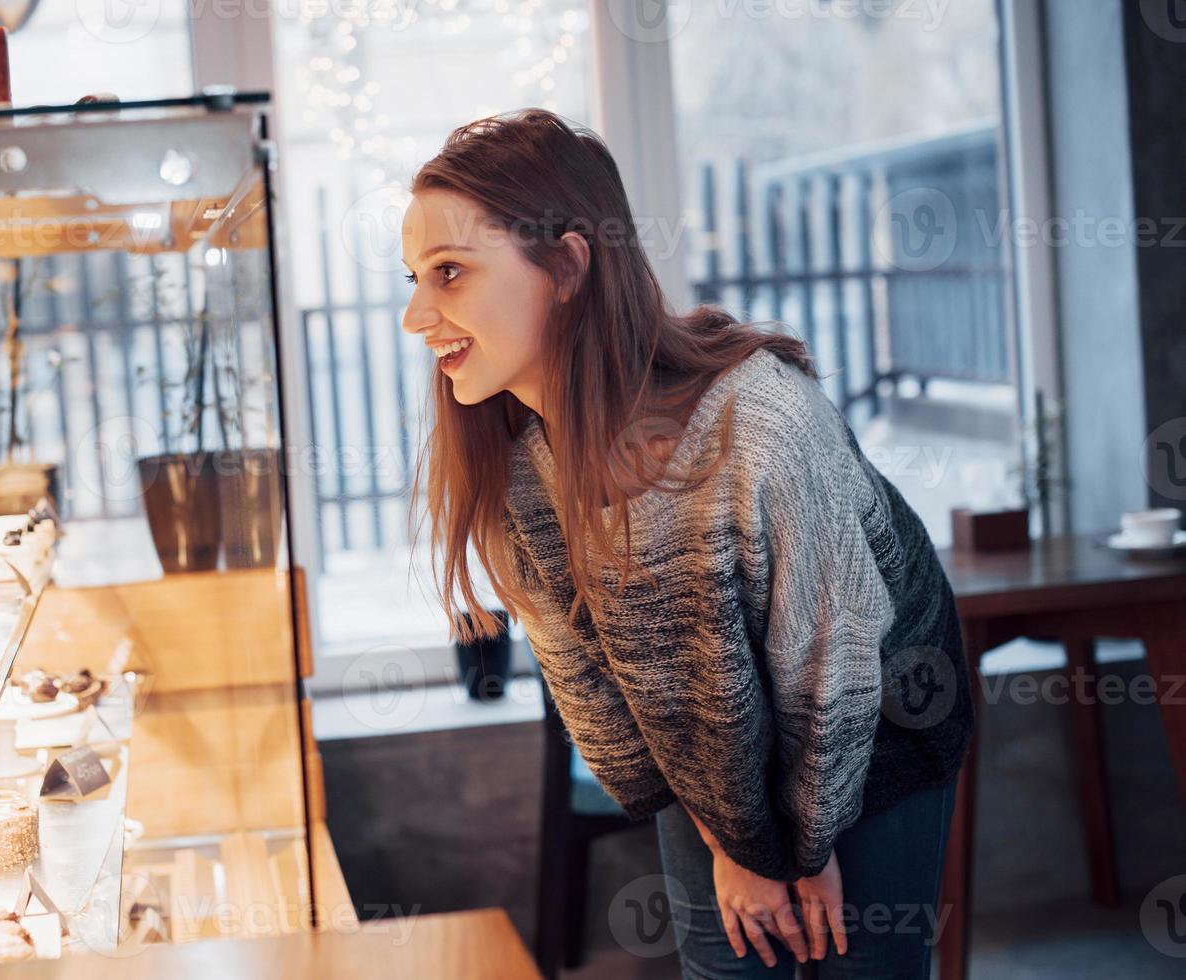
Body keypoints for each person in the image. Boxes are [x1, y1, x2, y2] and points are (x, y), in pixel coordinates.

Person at [400, 108, 973, 979]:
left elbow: (834, 667)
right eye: (413, 278)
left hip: (877, 722)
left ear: (564, 266)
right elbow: (599, 706)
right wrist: (735, 845)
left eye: (448, 273)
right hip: (706, 753)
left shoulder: (761, 425)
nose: (416, 316)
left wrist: (806, 852)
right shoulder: (519, 475)